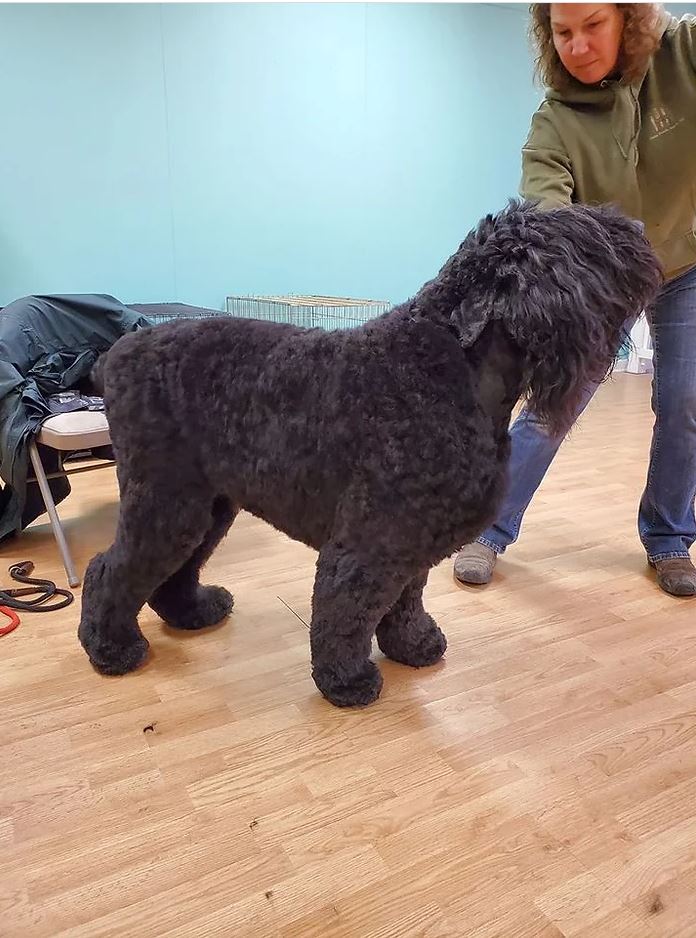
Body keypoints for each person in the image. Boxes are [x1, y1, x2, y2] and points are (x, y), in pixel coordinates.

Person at [454, 3, 696, 597]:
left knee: (686, 401)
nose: (577, 45)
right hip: (602, 278)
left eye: (593, 25)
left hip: (686, 263)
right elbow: (545, 215)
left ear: (632, 21)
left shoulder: (683, 55)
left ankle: (669, 538)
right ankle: (488, 526)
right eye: (562, 32)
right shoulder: (554, 123)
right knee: (553, 400)